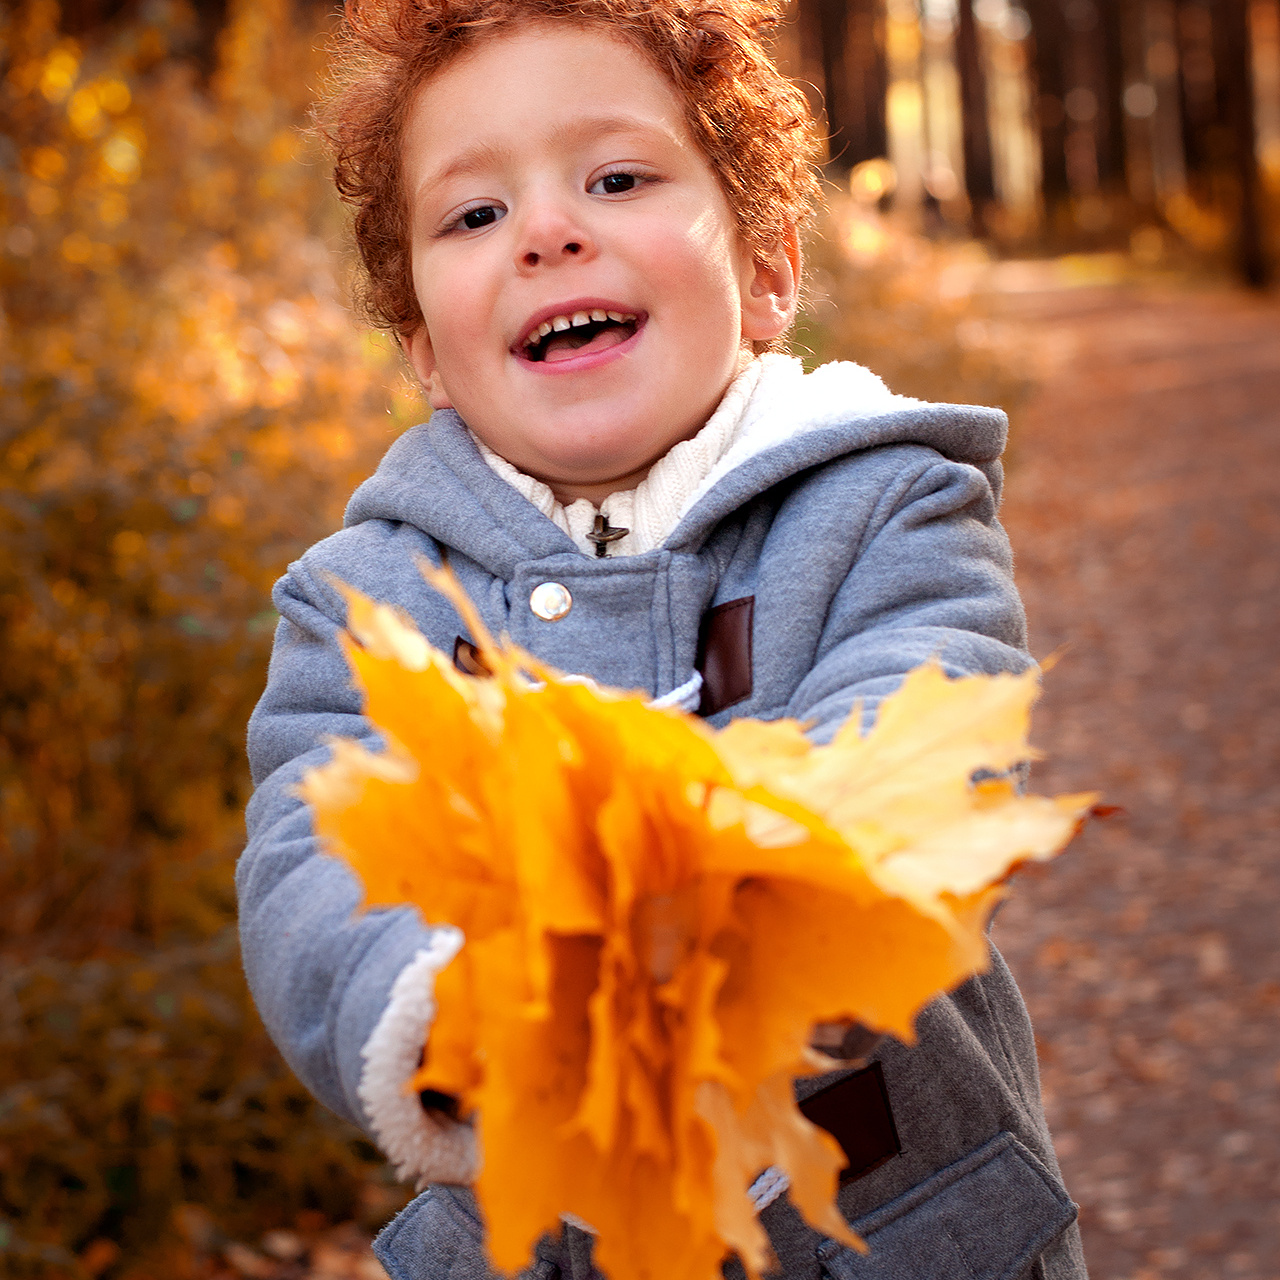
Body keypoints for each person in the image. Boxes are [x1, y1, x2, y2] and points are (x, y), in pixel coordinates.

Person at [238, 2, 1087, 1277]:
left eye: (618, 178)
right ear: (421, 343)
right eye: (473, 215)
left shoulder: (885, 504)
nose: (546, 229)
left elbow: (924, 711)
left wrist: (729, 894)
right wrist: (446, 1010)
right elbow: (309, 856)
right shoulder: (367, 605)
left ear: (765, 273)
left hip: (898, 1228)